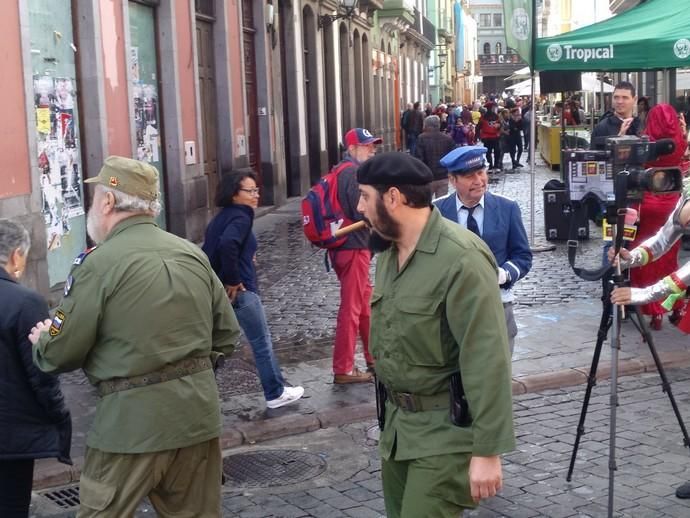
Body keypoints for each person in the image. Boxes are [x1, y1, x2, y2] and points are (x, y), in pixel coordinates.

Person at [29, 156, 241, 516]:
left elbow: (59, 355)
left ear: (108, 202)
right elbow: (226, 336)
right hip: (196, 420)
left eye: (96, 197)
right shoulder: (191, 253)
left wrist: (45, 339)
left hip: (129, 427)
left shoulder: (98, 264)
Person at [356, 152, 515, 517]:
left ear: (393, 198)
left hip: (445, 435)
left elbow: (487, 359)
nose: (359, 206)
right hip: (397, 430)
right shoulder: (388, 254)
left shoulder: (462, 259)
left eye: (365, 196)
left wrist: (487, 452)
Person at [608, 183, 690, 500]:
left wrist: (642, 294)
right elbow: (661, 241)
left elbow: (685, 274)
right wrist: (630, 258)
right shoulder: (685, 192)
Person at [203, 170, 304, 407]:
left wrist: (247, 255)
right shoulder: (242, 215)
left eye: (256, 190)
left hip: (217, 291)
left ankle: (201, 398)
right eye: (250, 191)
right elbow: (228, 244)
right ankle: (275, 393)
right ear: (234, 194)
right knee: (261, 341)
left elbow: (218, 247)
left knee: (213, 347)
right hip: (241, 292)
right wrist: (233, 278)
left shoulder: (223, 216)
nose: (256, 195)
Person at [0, 219, 71, 518]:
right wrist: (59, 417)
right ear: (17, 255)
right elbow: (41, 372)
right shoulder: (26, 301)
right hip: (11, 435)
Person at [436, 146, 532, 354]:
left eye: (481, 172)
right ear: (453, 181)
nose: (479, 181)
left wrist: (504, 274)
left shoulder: (507, 208)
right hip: (453, 308)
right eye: (470, 176)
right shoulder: (436, 212)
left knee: (497, 374)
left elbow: (522, 256)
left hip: (497, 305)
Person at [627, 104, 688, 330]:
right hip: (673, 203)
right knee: (669, 259)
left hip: (649, 203)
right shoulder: (679, 140)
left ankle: (653, 310)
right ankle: (673, 304)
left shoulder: (647, 141)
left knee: (647, 256)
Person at [328, 128, 382, 384]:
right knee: (352, 308)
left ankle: (374, 357)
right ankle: (344, 368)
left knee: (364, 306)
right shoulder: (351, 172)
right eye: (366, 146)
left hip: (351, 247)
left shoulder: (344, 170)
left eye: (373, 146)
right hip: (353, 247)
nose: (372, 150)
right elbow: (359, 211)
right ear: (352, 149)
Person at [414, 115, 456, 198]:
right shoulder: (447, 139)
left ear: (426, 125)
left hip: (428, 177)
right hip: (443, 176)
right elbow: (452, 157)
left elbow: (419, 158)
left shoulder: (422, 138)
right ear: (438, 125)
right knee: (441, 203)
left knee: (426, 203)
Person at [590, 81, 640, 150]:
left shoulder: (641, 125)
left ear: (635, 99)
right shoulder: (602, 127)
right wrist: (619, 139)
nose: (619, 101)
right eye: (616, 97)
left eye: (625, 98)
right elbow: (594, 156)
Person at [479, 102, 501, 172]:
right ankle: (491, 165)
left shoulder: (496, 116)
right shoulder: (483, 117)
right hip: (487, 137)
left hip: (495, 136)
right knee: (488, 152)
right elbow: (479, 126)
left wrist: (499, 126)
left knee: (497, 151)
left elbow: (500, 124)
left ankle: (496, 165)